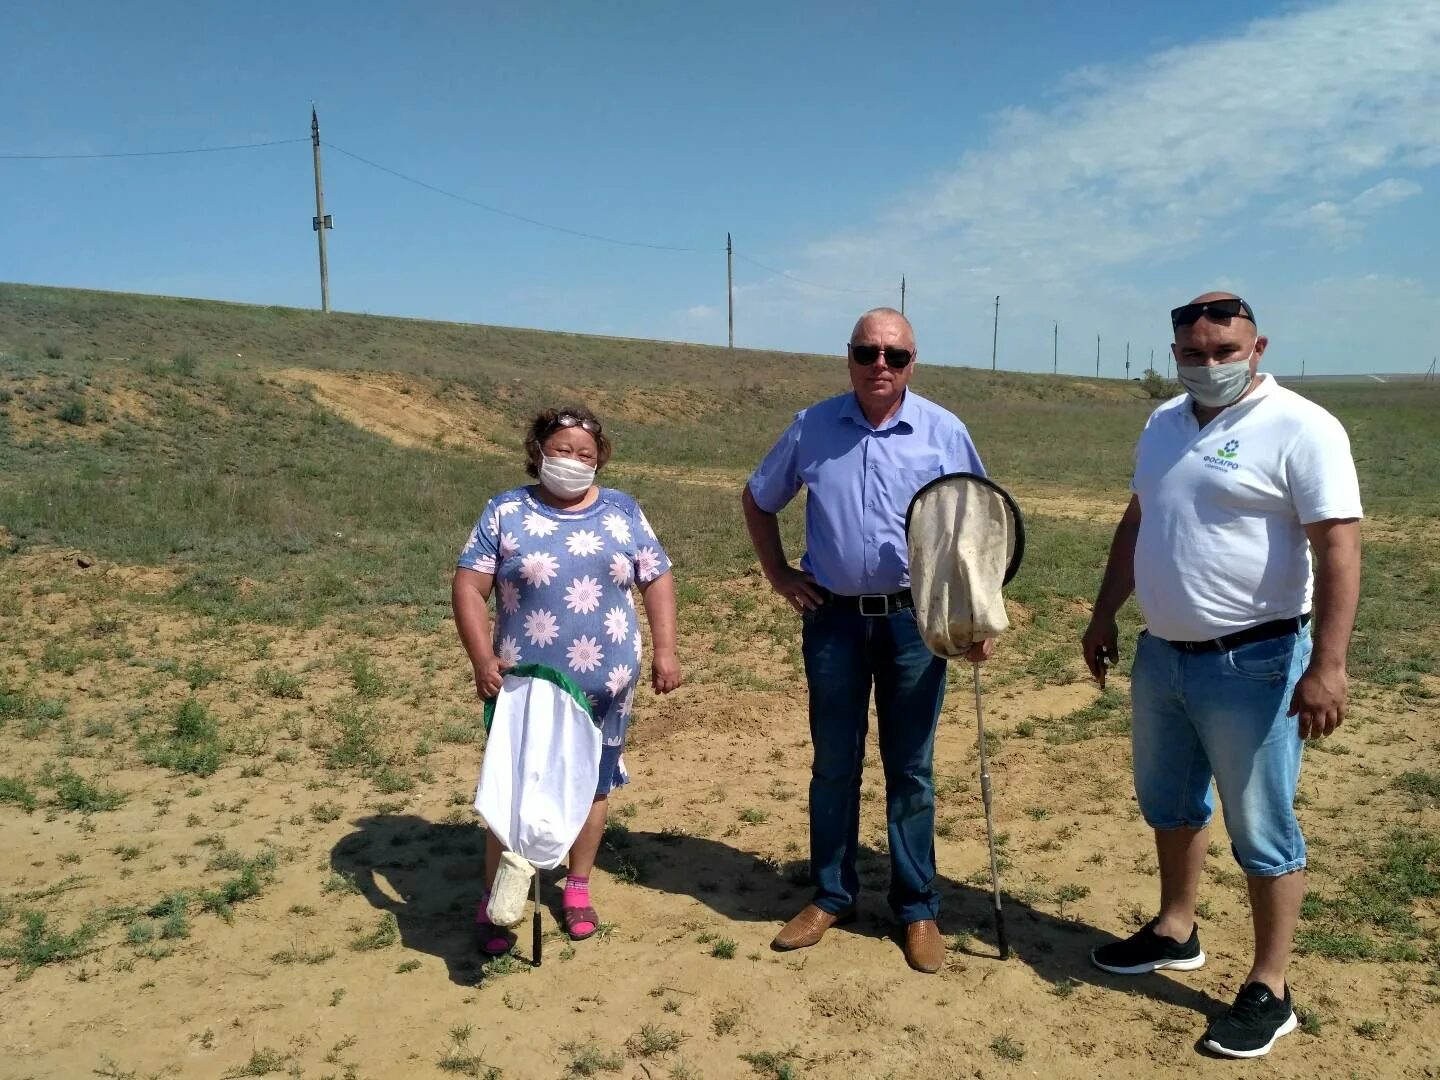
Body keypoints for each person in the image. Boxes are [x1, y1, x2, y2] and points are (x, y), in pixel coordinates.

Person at [1082, 293, 1362, 1059]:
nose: (1208, 367)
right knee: (1170, 803)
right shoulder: (1163, 423)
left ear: (1257, 346)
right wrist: (1105, 614)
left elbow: (1339, 546)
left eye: (1224, 351)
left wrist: (1328, 665)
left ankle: (1271, 989)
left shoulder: (1303, 427)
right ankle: (1176, 928)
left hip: (1259, 661)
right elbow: (1138, 520)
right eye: (1193, 354)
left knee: (1261, 827)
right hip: (1164, 653)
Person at [742, 307, 993, 974]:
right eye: (867, 352)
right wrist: (777, 572)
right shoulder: (813, 426)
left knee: (910, 767)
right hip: (834, 620)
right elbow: (759, 497)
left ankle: (916, 908)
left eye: (896, 355)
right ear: (849, 357)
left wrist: (974, 615)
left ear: (914, 362)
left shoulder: (944, 431)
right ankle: (831, 894)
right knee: (834, 761)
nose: (880, 365)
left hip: (916, 621)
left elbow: (977, 522)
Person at [453, 406, 681, 954]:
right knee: (513, 787)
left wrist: (667, 650)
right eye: (562, 450)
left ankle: (576, 887)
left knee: (592, 783)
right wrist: (482, 658)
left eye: (585, 453)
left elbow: (657, 578)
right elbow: (468, 586)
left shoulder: (624, 511)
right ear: (538, 452)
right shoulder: (506, 510)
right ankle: (498, 899)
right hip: (525, 687)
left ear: (600, 459)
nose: (573, 461)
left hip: (607, 687)